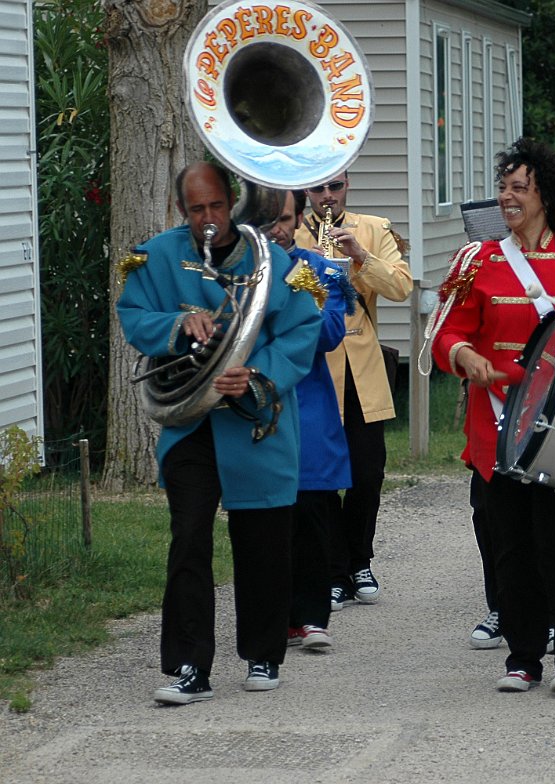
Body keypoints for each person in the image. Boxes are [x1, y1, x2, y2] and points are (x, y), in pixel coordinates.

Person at [430, 137, 555, 694]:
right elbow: (446, 334)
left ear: (547, 194)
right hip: (497, 422)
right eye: (503, 188)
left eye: (520, 188)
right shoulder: (480, 259)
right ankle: (522, 658)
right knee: (510, 549)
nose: (507, 198)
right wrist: (465, 356)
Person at [117, 162, 322, 703]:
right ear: (180, 210)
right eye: (195, 211)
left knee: (262, 539)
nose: (207, 220)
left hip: (256, 420)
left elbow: (303, 331)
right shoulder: (156, 254)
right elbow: (133, 312)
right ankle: (189, 667)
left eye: (214, 207)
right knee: (188, 538)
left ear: (231, 201)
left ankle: (263, 653)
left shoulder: (274, 261)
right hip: (189, 422)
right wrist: (176, 326)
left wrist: (255, 374)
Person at [294, 172, 413, 609]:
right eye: (318, 188)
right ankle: (334, 570)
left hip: (361, 367)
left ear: (347, 188)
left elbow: (400, 287)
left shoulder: (374, 228)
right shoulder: (292, 234)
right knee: (322, 477)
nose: (327, 196)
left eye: (335, 187)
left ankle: (359, 559)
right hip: (315, 369)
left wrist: (360, 255)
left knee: (367, 473)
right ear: (306, 193)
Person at [268, 190, 358, 650]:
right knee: (268, 521)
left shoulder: (320, 268)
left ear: (299, 219)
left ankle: (312, 614)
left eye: (284, 218)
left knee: (313, 516)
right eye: (269, 219)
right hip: (257, 406)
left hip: (309, 406)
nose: (276, 228)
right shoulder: (239, 270)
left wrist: (291, 289)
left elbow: (328, 334)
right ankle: (274, 617)